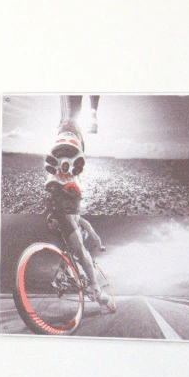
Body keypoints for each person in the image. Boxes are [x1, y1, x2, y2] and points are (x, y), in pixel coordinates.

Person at [42, 127, 115, 312]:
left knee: (69, 254)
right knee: (81, 252)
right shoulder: (81, 222)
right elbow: (91, 231)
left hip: (59, 223)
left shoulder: (78, 222)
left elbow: (89, 231)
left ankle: (63, 279)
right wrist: (99, 244)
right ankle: (94, 288)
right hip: (65, 222)